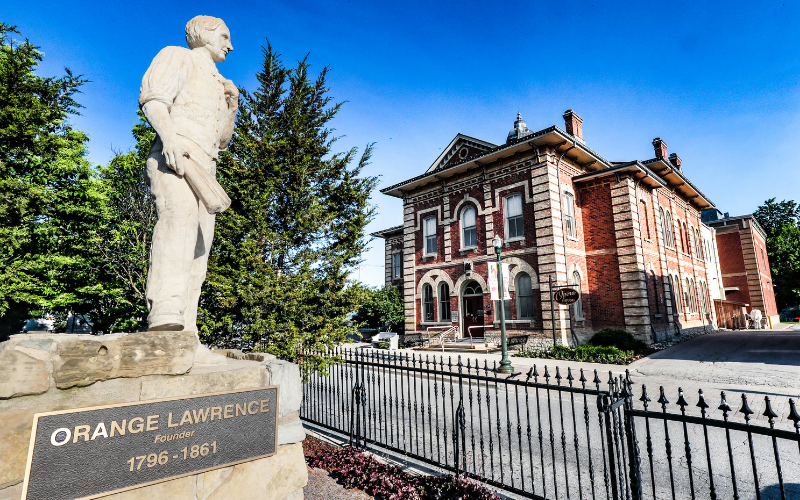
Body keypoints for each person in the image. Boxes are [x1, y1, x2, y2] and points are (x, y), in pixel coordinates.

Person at [139, 15, 238, 332]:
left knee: (200, 247)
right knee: (178, 219)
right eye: (224, 36)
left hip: (206, 171)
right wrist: (168, 138)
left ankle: (188, 328)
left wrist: (232, 106)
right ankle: (165, 309)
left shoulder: (220, 83)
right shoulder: (178, 55)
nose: (230, 45)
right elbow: (154, 100)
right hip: (175, 157)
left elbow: (222, 142)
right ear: (205, 34)